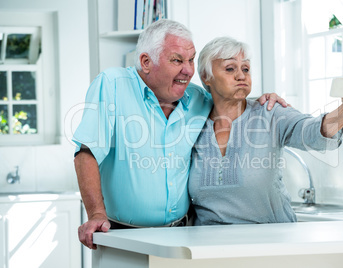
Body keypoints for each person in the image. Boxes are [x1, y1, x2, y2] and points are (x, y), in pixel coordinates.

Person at [73, 19, 287, 249]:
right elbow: (87, 152)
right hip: (122, 235)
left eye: (191, 60)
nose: (188, 70)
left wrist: (263, 100)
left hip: (182, 236)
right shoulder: (113, 84)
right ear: (146, 62)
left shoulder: (196, 97)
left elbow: (229, 101)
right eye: (177, 60)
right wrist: (96, 213)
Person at [188, 37, 343, 225]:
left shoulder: (270, 113)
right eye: (230, 68)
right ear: (206, 76)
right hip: (208, 247)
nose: (241, 76)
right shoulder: (193, 123)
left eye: (246, 69)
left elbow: (310, 131)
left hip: (270, 243)